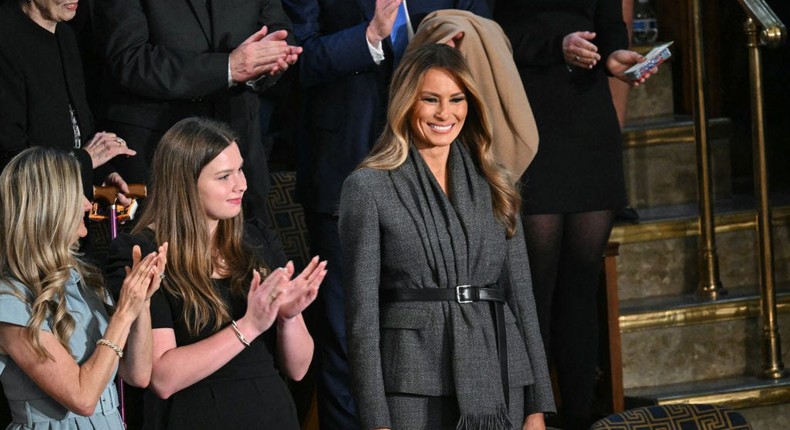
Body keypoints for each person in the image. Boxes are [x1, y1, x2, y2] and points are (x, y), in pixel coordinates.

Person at [281, 1, 490, 427]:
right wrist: (370, 37)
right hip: (345, 166)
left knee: (437, 320)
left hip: (438, 175)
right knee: (346, 333)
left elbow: (482, 32)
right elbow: (295, 62)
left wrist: (454, 50)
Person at [339, 44, 554, 430]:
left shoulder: (497, 183)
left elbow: (523, 298)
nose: (445, 113)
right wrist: (375, 420)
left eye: (457, 99)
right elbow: (361, 317)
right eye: (431, 99)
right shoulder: (367, 188)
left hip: (501, 375)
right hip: (413, 383)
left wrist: (538, 405)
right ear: (406, 103)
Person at [493, 1, 658, 428]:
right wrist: (556, 47)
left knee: (583, 284)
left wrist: (615, 58)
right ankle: (534, 417)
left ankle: (581, 417)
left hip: (589, 122)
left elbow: (609, 26)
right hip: (528, 117)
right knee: (536, 284)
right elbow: (492, 35)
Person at [105, 117, 326, 430]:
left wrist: (288, 318)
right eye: (224, 176)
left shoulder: (257, 238)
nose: (242, 184)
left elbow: (299, 369)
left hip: (270, 412)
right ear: (185, 183)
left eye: (240, 170)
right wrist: (249, 325)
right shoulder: (142, 251)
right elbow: (161, 378)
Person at [0, 147, 167, 429]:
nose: (88, 205)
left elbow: (137, 374)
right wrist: (124, 311)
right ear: (49, 205)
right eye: (77, 193)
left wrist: (142, 302)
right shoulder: (11, 299)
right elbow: (83, 397)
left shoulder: (85, 279)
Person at [95, 0, 302, 224]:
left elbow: (280, 31)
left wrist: (269, 59)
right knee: (160, 252)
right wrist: (228, 68)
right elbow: (130, 60)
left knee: (248, 251)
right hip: (158, 151)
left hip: (239, 142)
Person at [0, 0, 136, 201]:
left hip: (65, 198)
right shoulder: (6, 39)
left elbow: (78, 125)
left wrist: (99, 173)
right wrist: (83, 162)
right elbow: (11, 157)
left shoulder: (66, 36)